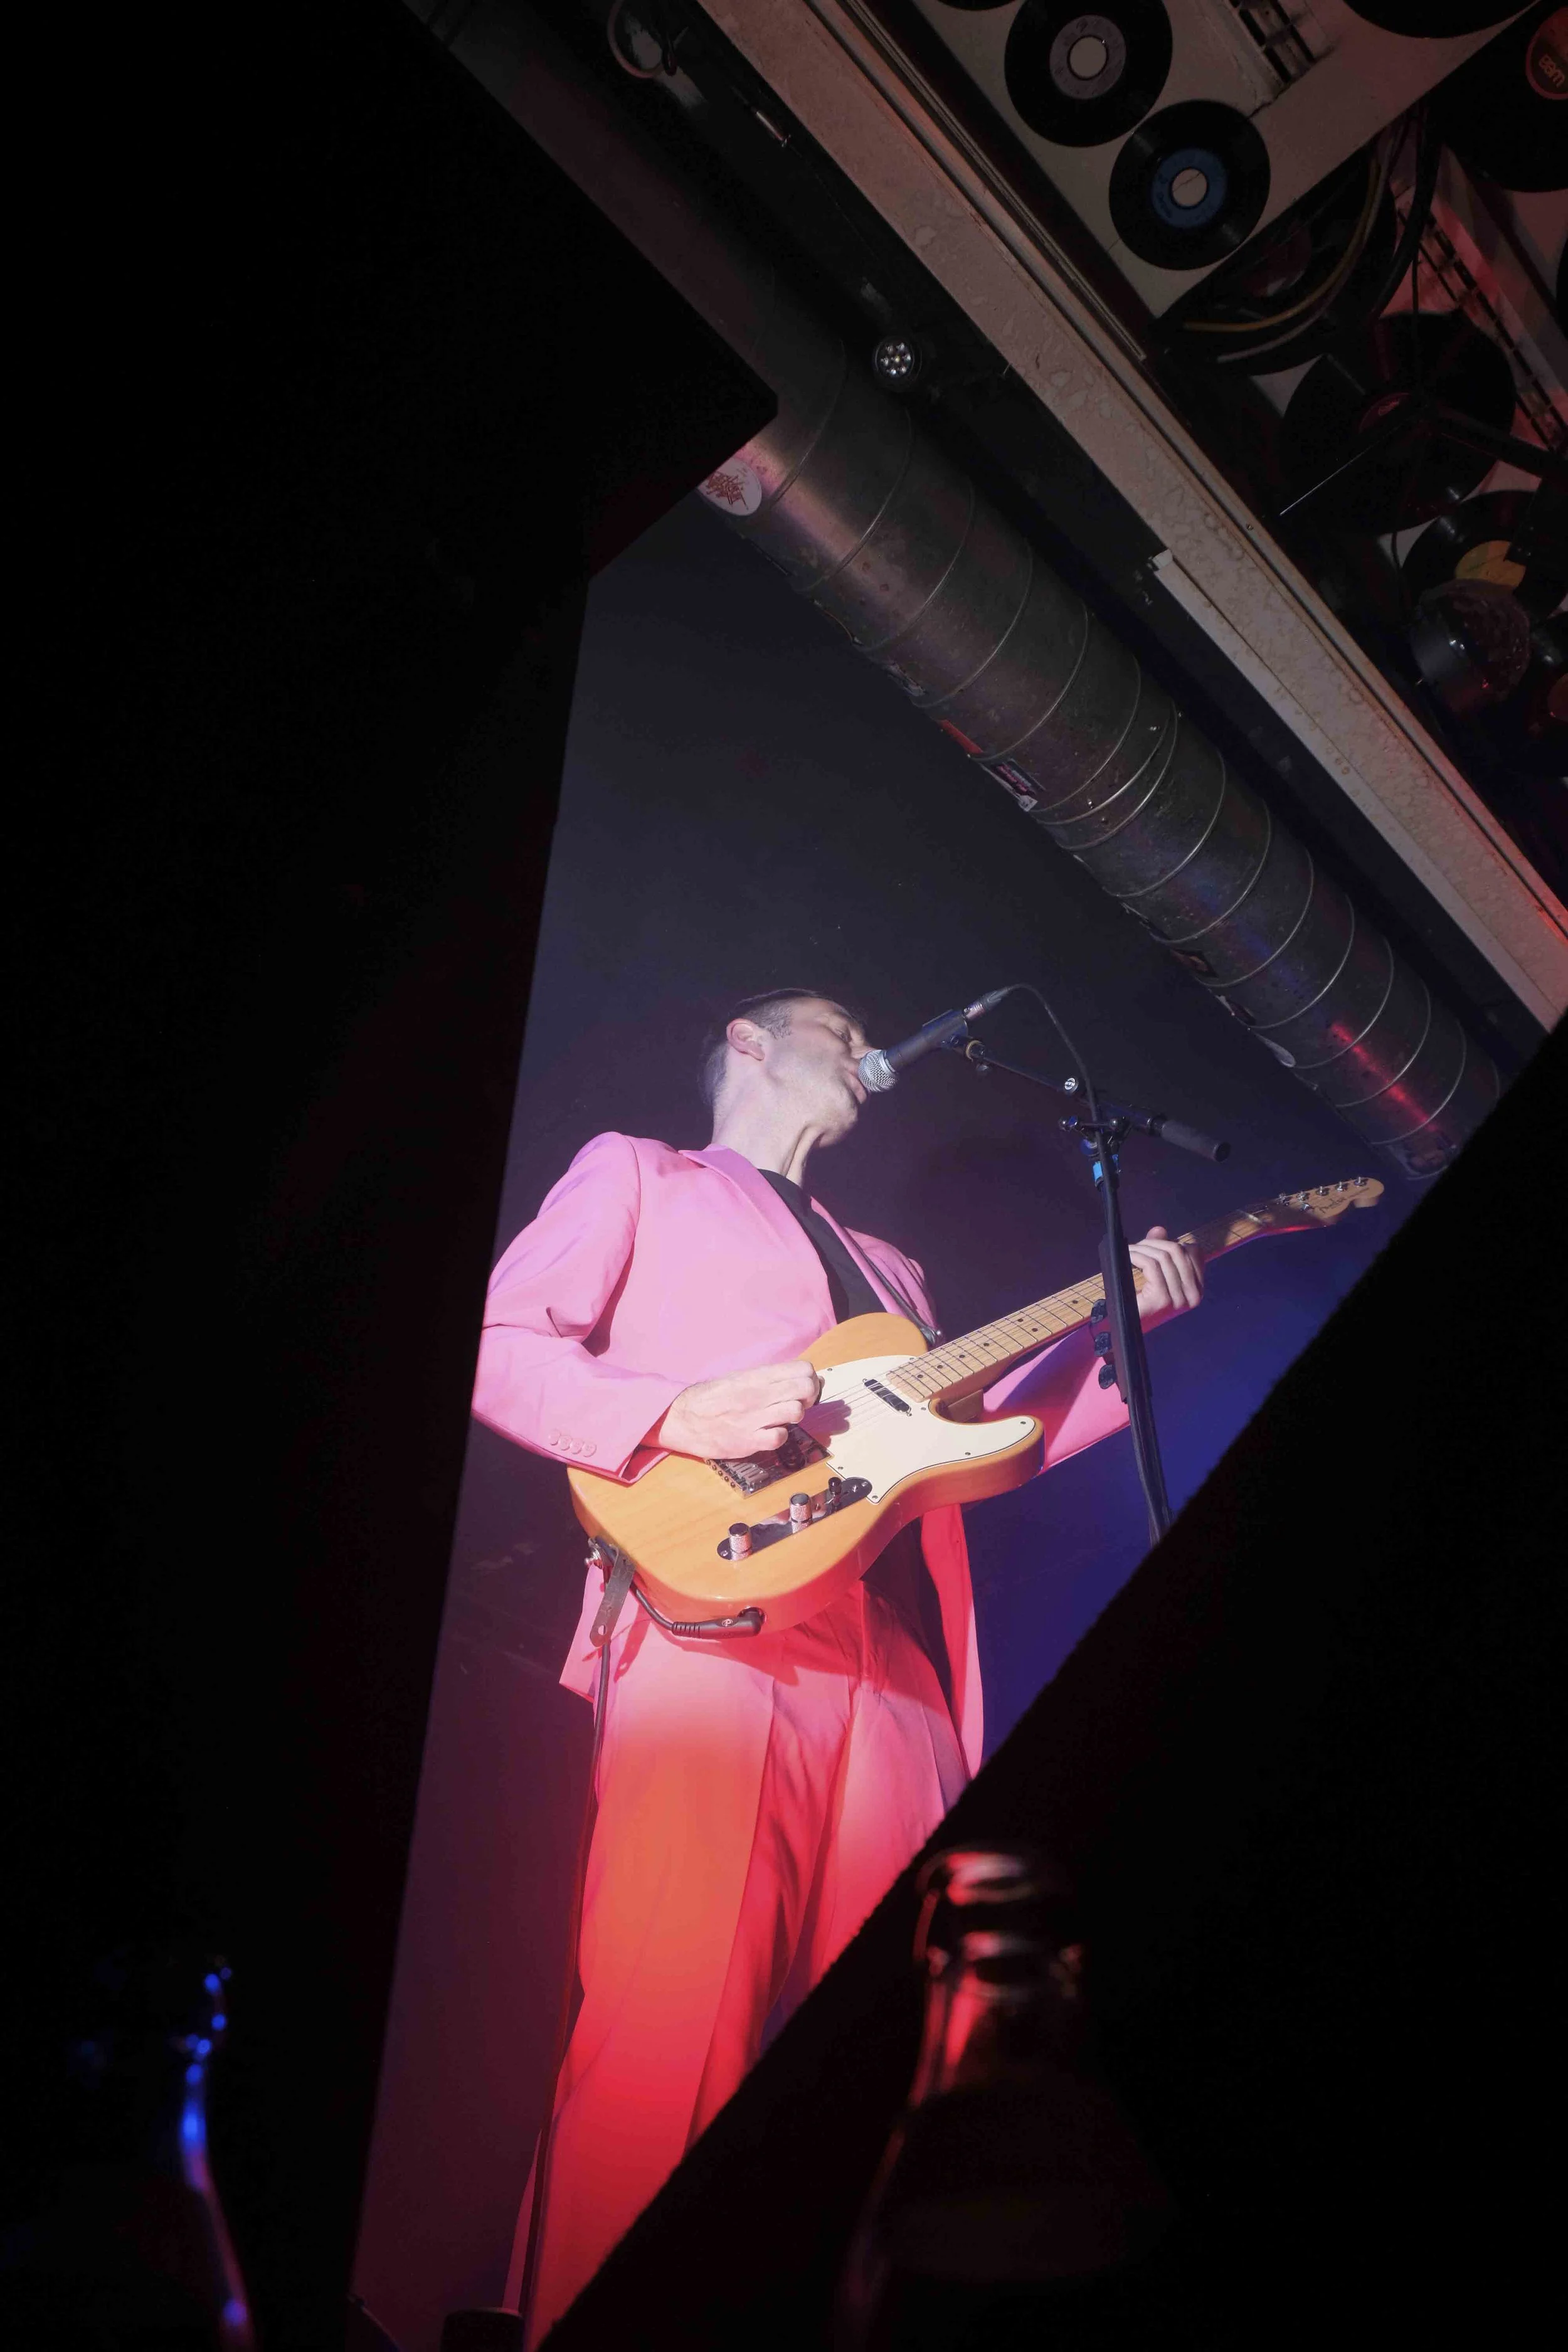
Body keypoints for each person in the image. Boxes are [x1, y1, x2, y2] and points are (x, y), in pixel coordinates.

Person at [474, 990, 1204, 2339]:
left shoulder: (893, 1270)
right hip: (712, 1629)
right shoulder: (641, 1173)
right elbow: (499, 1344)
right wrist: (673, 1412)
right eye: (833, 1019)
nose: (862, 1040)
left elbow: (979, 1448)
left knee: (907, 2062)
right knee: (672, 2035)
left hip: (892, 1668)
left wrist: (1125, 1330)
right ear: (748, 1041)